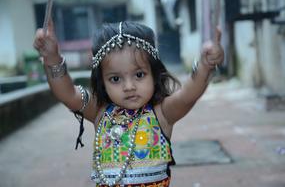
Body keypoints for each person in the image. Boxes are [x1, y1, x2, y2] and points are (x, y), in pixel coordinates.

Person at [33, 18, 224, 186]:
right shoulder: (99, 112)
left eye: (139, 75)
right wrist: (52, 58)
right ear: (102, 81)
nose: (129, 86)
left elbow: (188, 95)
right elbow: (67, 94)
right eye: (115, 79)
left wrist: (206, 65)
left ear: (154, 74)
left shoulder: (162, 114)